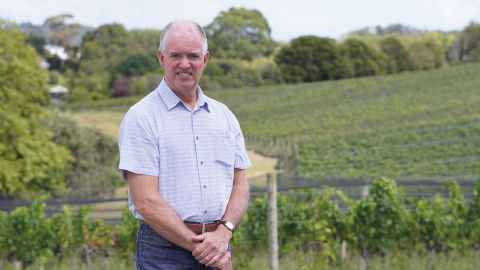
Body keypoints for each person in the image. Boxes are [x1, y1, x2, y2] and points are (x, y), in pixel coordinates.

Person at [118, 19, 251, 270]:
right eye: (175, 55)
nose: (184, 64)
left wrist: (223, 234)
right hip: (164, 253)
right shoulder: (141, 117)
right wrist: (203, 248)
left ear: (206, 59)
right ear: (161, 58)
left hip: (219, 244)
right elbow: (145, 200)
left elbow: (240, 185)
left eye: (193, 55)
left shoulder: (224, 116)